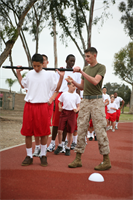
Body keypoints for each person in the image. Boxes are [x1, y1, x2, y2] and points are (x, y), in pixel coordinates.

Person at [65, 47, 111, 171]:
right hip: (85, 100)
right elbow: (82, 86)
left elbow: (95, 81)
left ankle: (106, 160)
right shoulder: (85, 69)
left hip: (96, 101)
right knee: (81, 128)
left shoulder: (101, 67)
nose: (86, 59)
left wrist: (81, 72)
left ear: (95, 55)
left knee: (100, 129)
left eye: (88, 56)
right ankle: (78, 159)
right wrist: (73, 80)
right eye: (85, 56)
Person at [16, 53, 64, 167]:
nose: (36, 68)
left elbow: (56, 88)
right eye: (34, 66)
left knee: (44, 132)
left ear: (43, 64)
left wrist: (61, 77)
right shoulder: (29, 74)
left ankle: (43, 155)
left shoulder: (49, 75)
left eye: (38, 66)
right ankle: (29, 156)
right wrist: (18, 73)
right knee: (27, 132)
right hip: (29, 106)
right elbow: (23, 85)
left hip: (42, 106)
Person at [47, 54, 81, 153]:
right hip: (61, 96)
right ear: (66, 61)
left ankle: (62, 144)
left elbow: (78, 88)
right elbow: (56, 86)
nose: (72, 63)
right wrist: (54, 100)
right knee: (56, 122)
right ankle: (52, 143)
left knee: (67, 124)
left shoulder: (77, 74)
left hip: (72, 98)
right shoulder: (60, 71)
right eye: (70, 61)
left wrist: (78, 102)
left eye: (74, 61)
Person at [32, 54, 58, 157]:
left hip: (47, 103)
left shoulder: (51, 73)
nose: (42, 62)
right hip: (36, 103)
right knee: (36, 125)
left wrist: (51, 99)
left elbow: (56, 88)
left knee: (46, 126)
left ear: (47, 62)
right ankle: (37, 147)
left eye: (43, 60)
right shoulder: (34, 73)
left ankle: (43, 147)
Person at [54, 82, 81, 156]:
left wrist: (77, 109)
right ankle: (60, 145)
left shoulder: (76, 95)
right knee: (60, 130)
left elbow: (78, 106)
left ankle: (68, 147)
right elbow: (59, 103)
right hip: (64, 113)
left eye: (75, 86)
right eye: (73, 86)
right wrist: (60, 107)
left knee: (70, 132)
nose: (74, 87)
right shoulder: (64, 94)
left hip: (72, 114)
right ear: (68, 86)